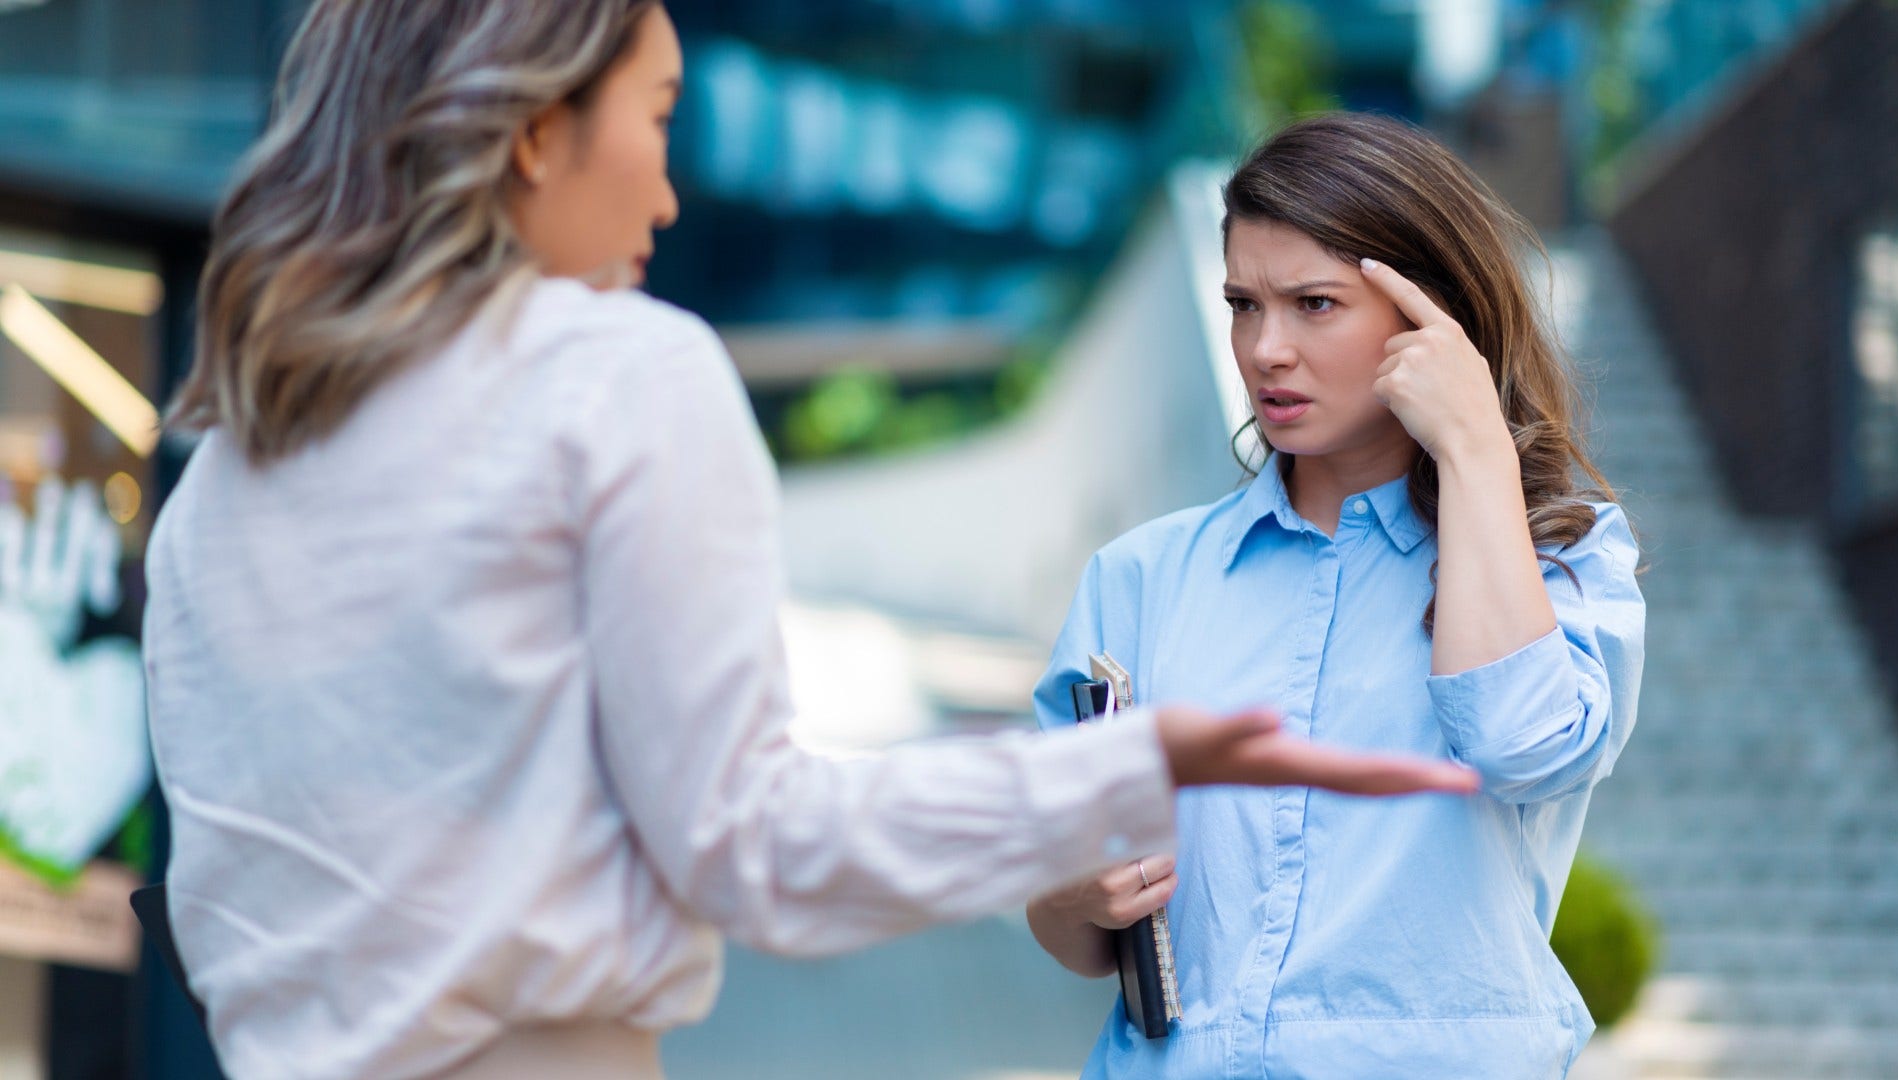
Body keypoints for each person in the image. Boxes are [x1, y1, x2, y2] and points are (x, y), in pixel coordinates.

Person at [140, 7, 1478, 1078]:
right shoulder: (619, 379)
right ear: (536, 133)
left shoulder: (221, 482)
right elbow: (757, 846)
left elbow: (221, 907)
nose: (667, 196)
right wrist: (1115, 773)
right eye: (658, 120)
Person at [1024, 112, 1647, 1079]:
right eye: (1242, 304)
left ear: (1432, 318)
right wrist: (1081, 896)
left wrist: (1475, 445)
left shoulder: (1565, 558)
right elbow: (1064, 921)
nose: (1265, 349)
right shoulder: (1138, 579)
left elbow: (1520, 744)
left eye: (1314, 304)